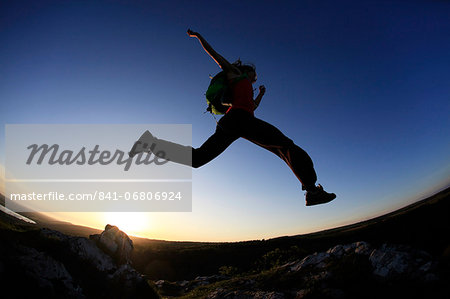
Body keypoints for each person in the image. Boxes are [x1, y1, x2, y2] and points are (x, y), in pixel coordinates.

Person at [130, 29, 336, 206]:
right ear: (247, 71)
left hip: (235, 122)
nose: (255, 79)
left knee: (198, 158)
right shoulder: (236, 74)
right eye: (254, 75)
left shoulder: (243, 89)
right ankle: (312, 192)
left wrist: (261, 95)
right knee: (286, 146)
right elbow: (214, 53)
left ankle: (149, 144)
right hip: (239, 120)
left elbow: (251, 106)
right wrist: (197, 36)